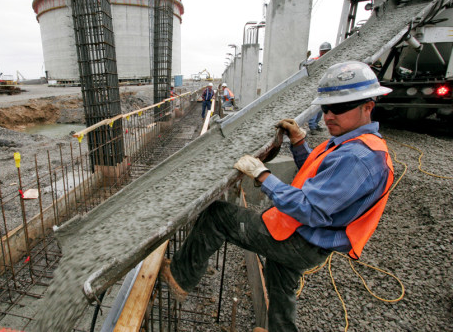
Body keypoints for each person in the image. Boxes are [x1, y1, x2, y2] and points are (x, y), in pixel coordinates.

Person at [160, 61, 395, 332]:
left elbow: (310, 208)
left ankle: (181, 275)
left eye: (340, 108)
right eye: (326, 107)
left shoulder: (359, 158)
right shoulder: (354, 144)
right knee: (280, 277)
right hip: (310, 238)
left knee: (217, 216)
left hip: (301, 238)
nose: (329, 115)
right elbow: (322, 180)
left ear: (368, 106)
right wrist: (298, 143)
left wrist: (262, 176)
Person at [307, 42, 332, 131]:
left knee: (321, 108)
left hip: (325, 87)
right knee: (315, 106)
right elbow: (307, 67)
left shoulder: (331, 60)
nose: (324, 53)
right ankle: (312, 126)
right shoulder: (315, 60)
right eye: (323, 51)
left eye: (326, 51)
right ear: (320, 52)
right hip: (315, 87)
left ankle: (316, 124)